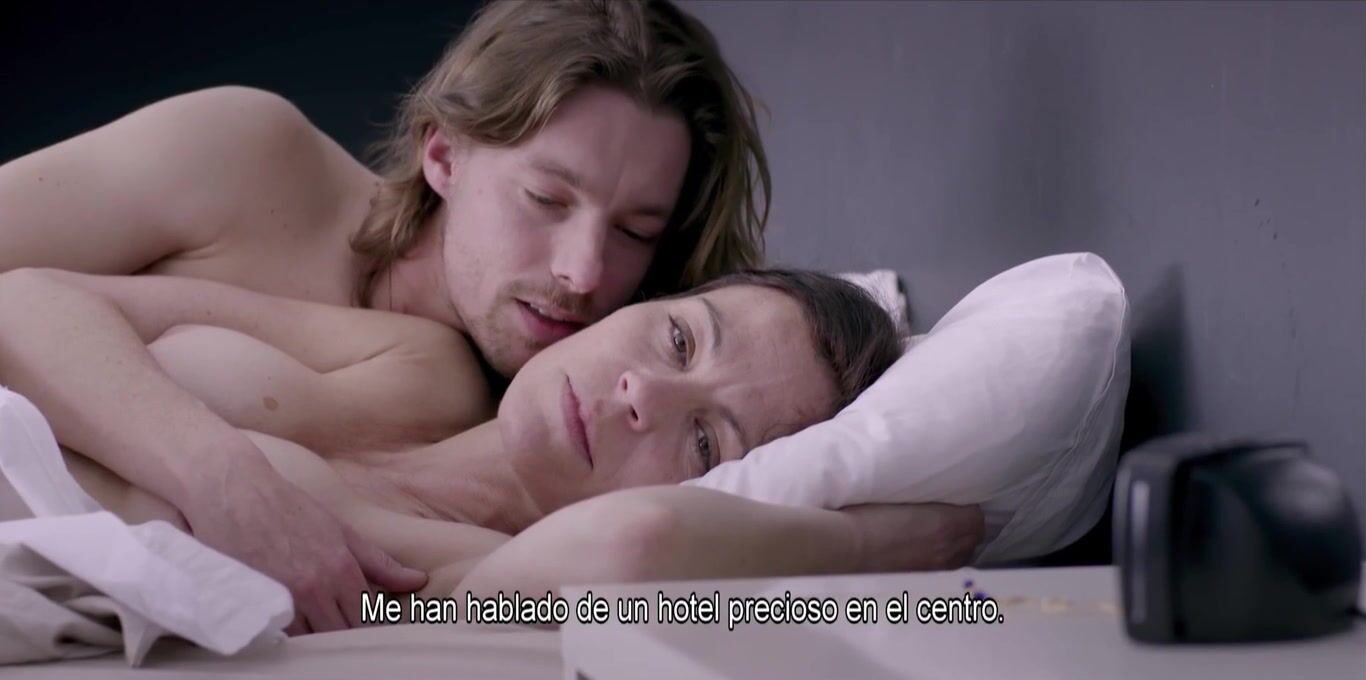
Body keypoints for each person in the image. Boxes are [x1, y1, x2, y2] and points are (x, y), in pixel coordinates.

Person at [0, 0, 773, 630]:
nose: (584, 271)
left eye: (634, 232)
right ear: (443, 155)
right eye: (546, 199)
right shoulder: (247, 158)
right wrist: (219, 477)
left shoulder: (549, 437)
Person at [0, 267, 985, 634]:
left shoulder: (467, 580)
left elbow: (633, 545)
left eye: (703, 438)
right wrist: (218, 471)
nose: (642, 393)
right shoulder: (414, 360)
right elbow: (26, 301)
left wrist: (865, 547)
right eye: (681, 339)